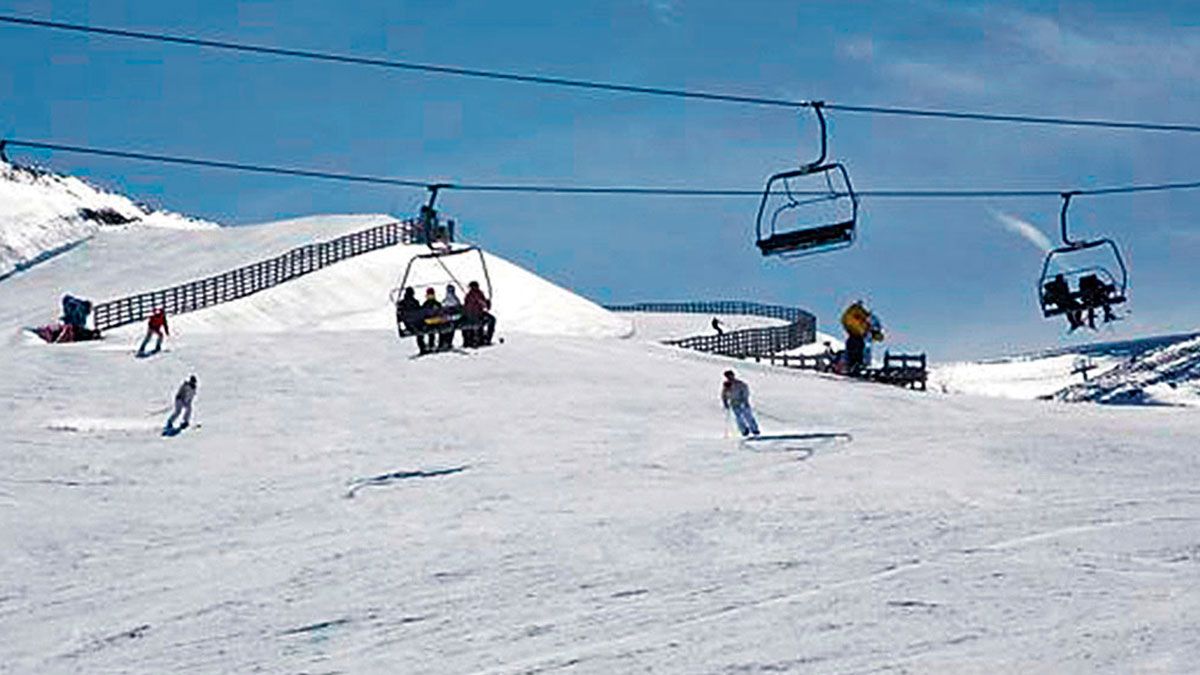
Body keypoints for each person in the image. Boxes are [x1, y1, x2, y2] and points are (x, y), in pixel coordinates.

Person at [721, 370, 760, 437]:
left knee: (748, 416)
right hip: (734, 403)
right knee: (738, 418)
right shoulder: (726, 385)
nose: (729, 378)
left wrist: (744, 400)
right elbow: (724, 394)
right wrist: (725, 402)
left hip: (742, 402)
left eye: (730, 376)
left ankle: (754, 429)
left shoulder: (740, 383)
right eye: (727, 376)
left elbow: (745, 392)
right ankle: (744, 430)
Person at [462, 280, 496, 347]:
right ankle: (487, 338)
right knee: (492, 319)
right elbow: (483, 304)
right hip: (478, 315)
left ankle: (474, 338)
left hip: (469, 316)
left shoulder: (468, 295)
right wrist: (487, 303)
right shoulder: (478, 294)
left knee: (483, 320)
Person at [438, 284, 463, 350]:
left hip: (446, 319)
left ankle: (442, 343)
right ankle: (448, 342)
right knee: (451, 327)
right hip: (453, 319)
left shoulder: (445, 300)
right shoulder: (456, 300)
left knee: (443, 325)